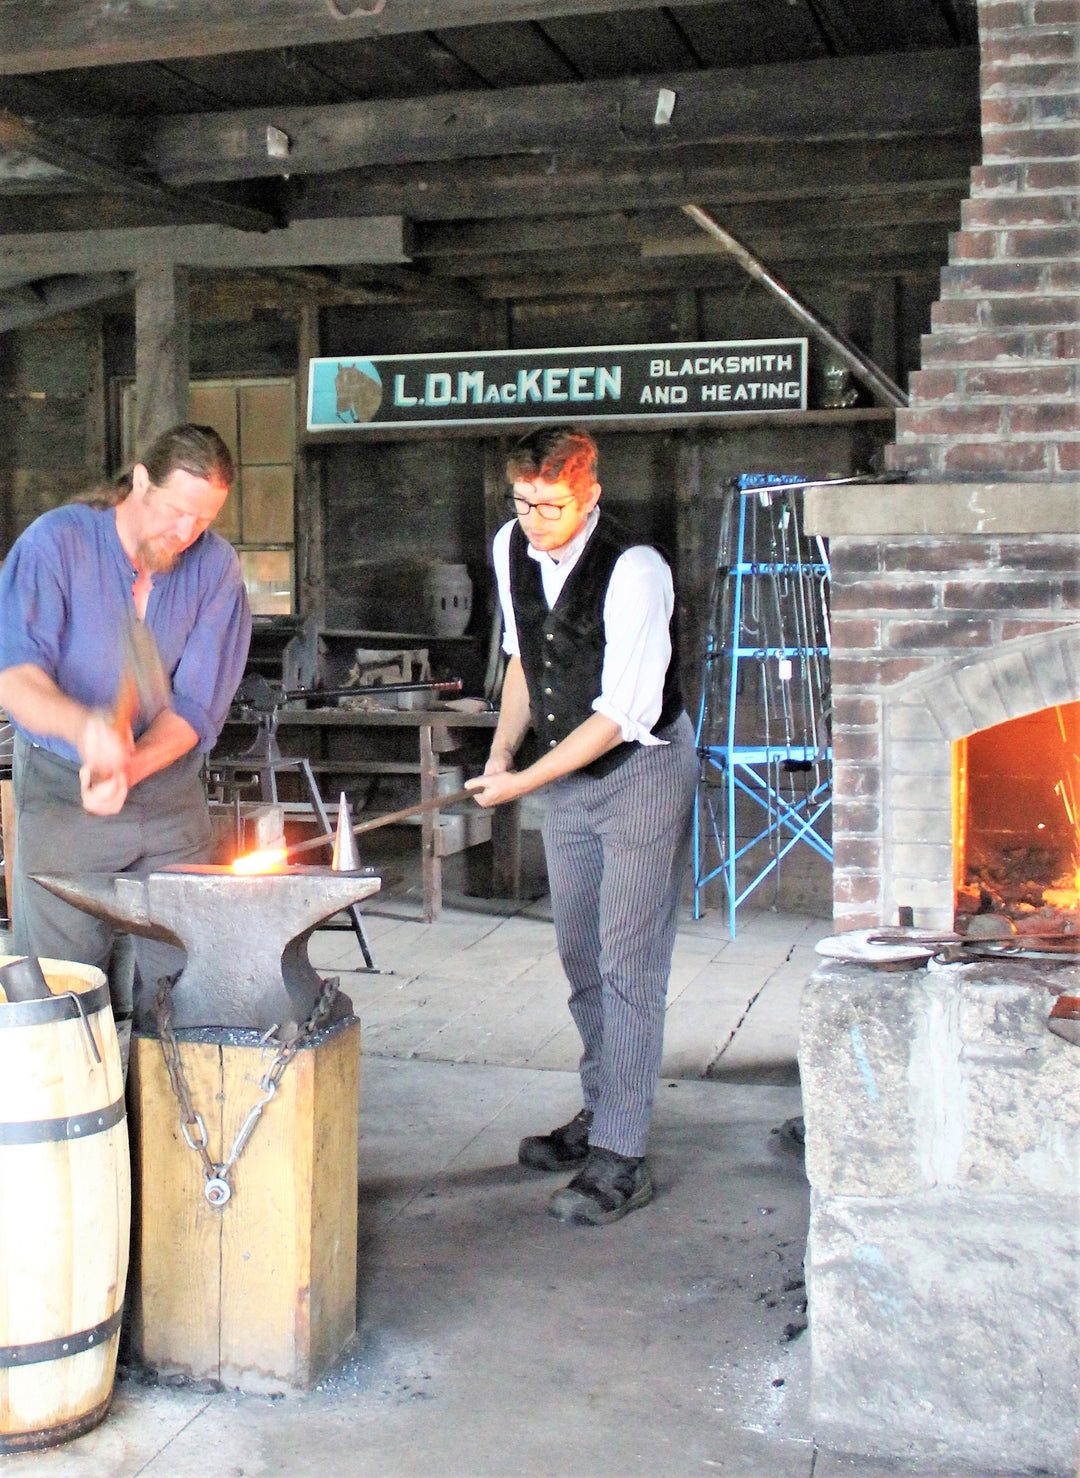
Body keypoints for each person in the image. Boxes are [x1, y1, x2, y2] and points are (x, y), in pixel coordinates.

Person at [466, 425, 697, 1226]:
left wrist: (526, 779)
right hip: (563, 774)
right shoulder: (510, 548)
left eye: (553, 506)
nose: (536, 520)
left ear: (589, 494)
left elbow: (622, 714)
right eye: (524, 503)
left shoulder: (635, 570)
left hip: (639, 772)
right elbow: (524, 660)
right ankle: (602, 1112)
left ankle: (623, 1154)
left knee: (629, 960)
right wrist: (501, 754)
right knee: (579, 954)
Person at [0, 421, 252, 1026]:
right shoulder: (54, 544)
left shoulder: (215, 568)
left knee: (189, 977)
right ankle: (78, 1115)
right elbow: (15, 673)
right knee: (59, 988)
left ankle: (179, 1111)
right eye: (176, 512)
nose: (187, 532)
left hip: (168, 795)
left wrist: (130, 763)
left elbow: (194, 706)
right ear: (140, 481)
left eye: (204, 519)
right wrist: (89, 733)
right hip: (63, 791)